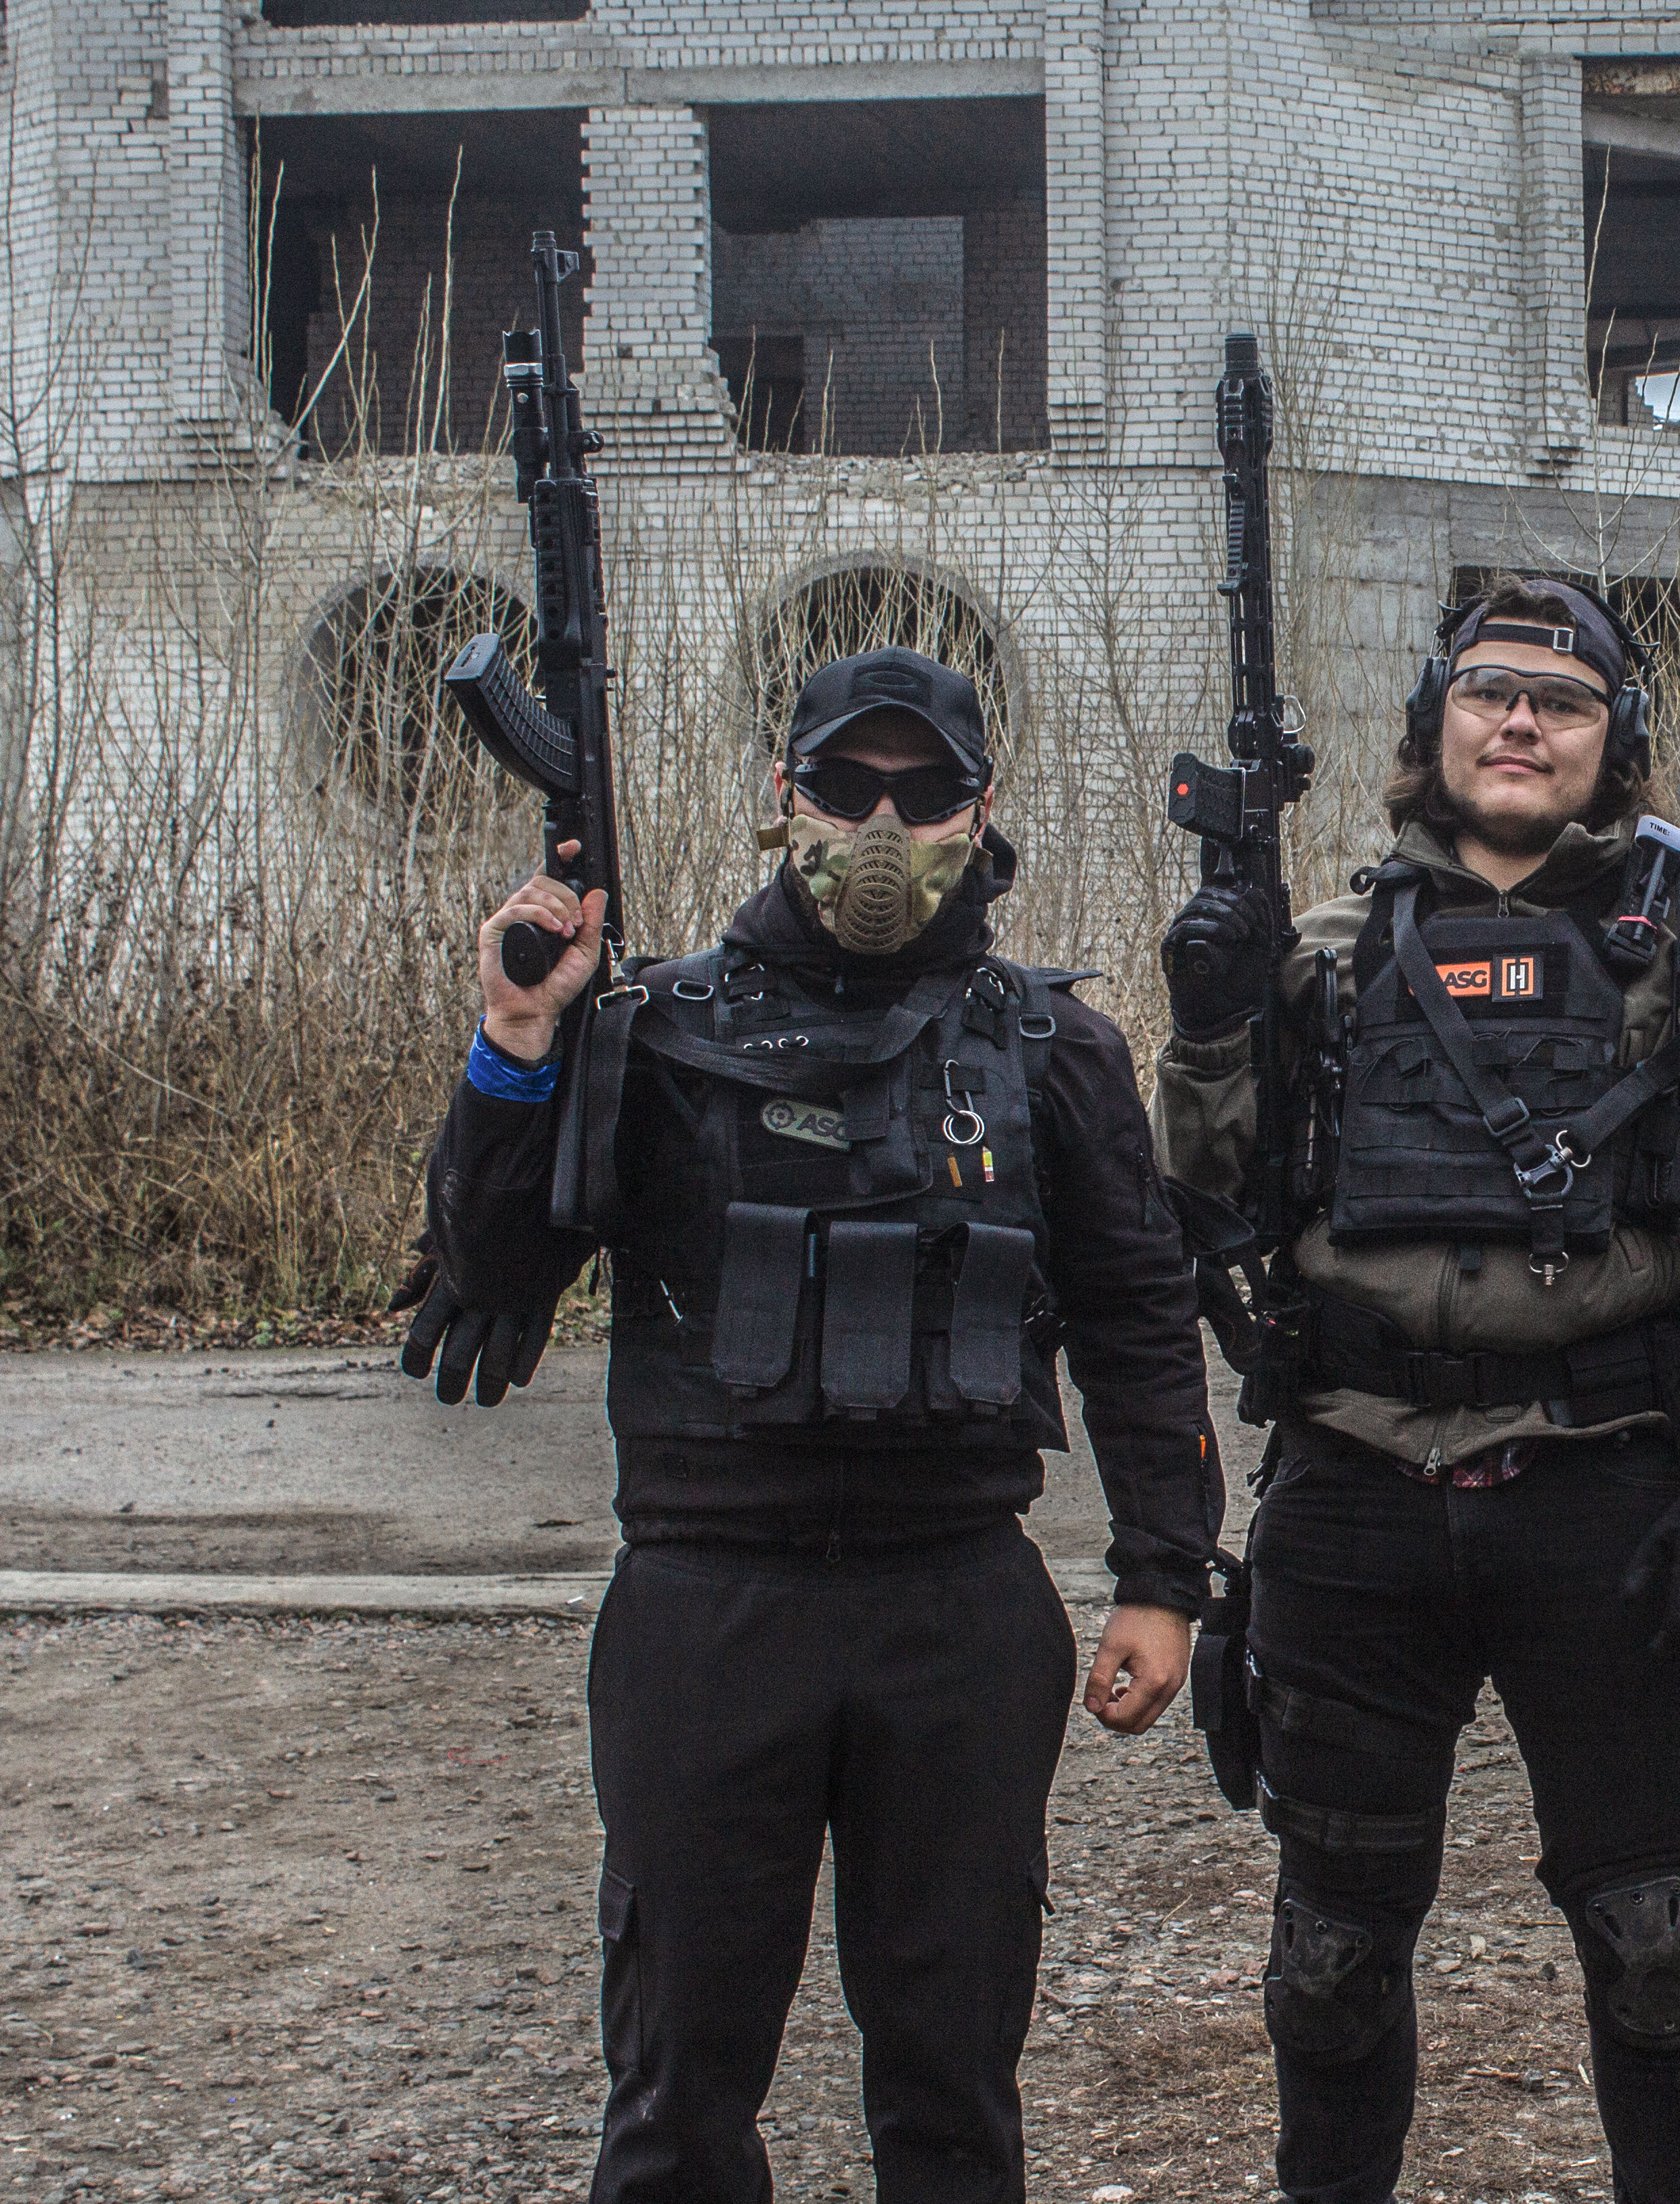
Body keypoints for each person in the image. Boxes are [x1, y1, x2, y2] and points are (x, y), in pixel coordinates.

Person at [414, 645, 1221, 2204]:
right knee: (679, 2090)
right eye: (848, 786)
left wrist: (1163, 1577)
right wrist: (517, 1040)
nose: (882, 827)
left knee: (952, 2089)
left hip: (958, 1612)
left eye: (924, 793)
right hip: (709, 1612)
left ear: (982, 810)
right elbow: (494, 1271)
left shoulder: (1053, 1053)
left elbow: (1138, 1323)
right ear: (783, 794)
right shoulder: (649, 1030)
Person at [1154, 577, 1680, 2204]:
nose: (1522, 723)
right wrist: (1207, 1028)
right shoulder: (1327, 954)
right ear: (1435, 723)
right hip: (1353, 1491)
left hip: (1606, 1491)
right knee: (1328, 1955)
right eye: (1489, 693)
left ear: (1617, 740)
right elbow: (1203, 1196)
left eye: (1563, 701)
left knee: (1650, 1943)